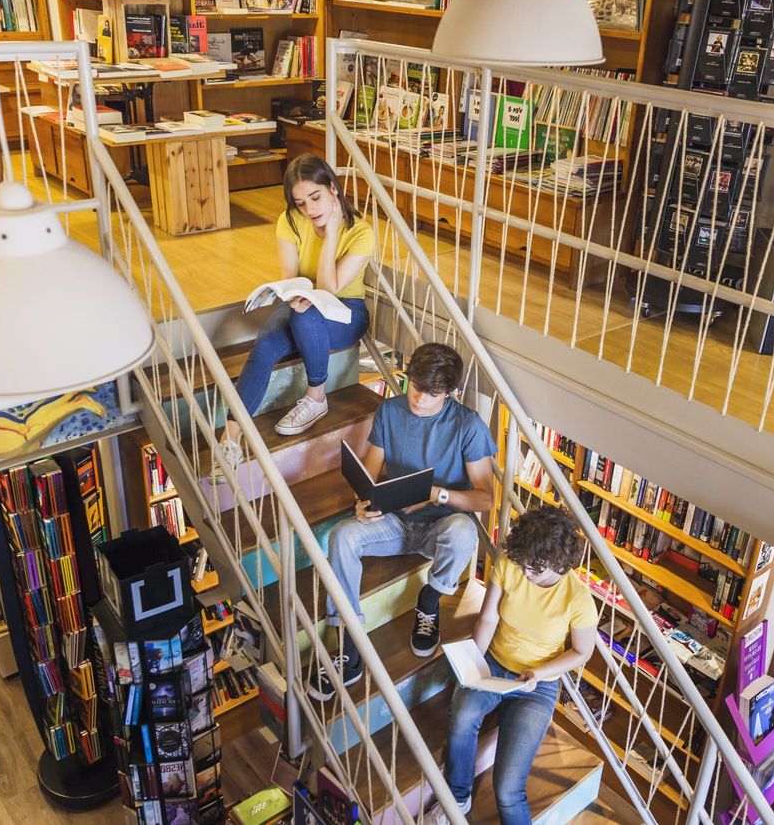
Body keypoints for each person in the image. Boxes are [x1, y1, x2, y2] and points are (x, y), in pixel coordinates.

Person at [310, 342, 496, 701]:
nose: (420, 398)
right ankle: (347, 639)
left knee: (464, 531)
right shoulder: (390, 411)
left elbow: (486, 497)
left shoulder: (468, 425)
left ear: (450, 392)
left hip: (440, 526)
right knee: (342, 536)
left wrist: (438, 494)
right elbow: (371, 467)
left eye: (431, 393)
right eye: (415, 386)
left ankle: (431, 597)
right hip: (393, 522)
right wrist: (361, 501)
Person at [428, 507, 598, 825]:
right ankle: (457, 798)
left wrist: (540, 673)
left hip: (538, 685)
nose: (524, 574)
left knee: (507, 789)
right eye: (521, 565)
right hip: (494, 663)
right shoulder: (512, 563)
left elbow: (581, 652)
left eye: (533, 569)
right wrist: (473, 661)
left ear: (559, 564)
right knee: (462, 716)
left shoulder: (578, 600)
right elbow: (489, 615)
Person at [214, 154, 373, 478]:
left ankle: (316, 397)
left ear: (333, 188)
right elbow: (290, 277)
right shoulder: (289, 221)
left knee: (304, 317)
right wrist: (292, 294)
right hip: (303, 302)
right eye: (301, 203)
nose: (309, 209)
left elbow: (330, 288)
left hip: (346, 312)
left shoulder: (362, 232)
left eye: (315, 197)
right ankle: (230, 438)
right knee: (267, 345)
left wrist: (330, 234)